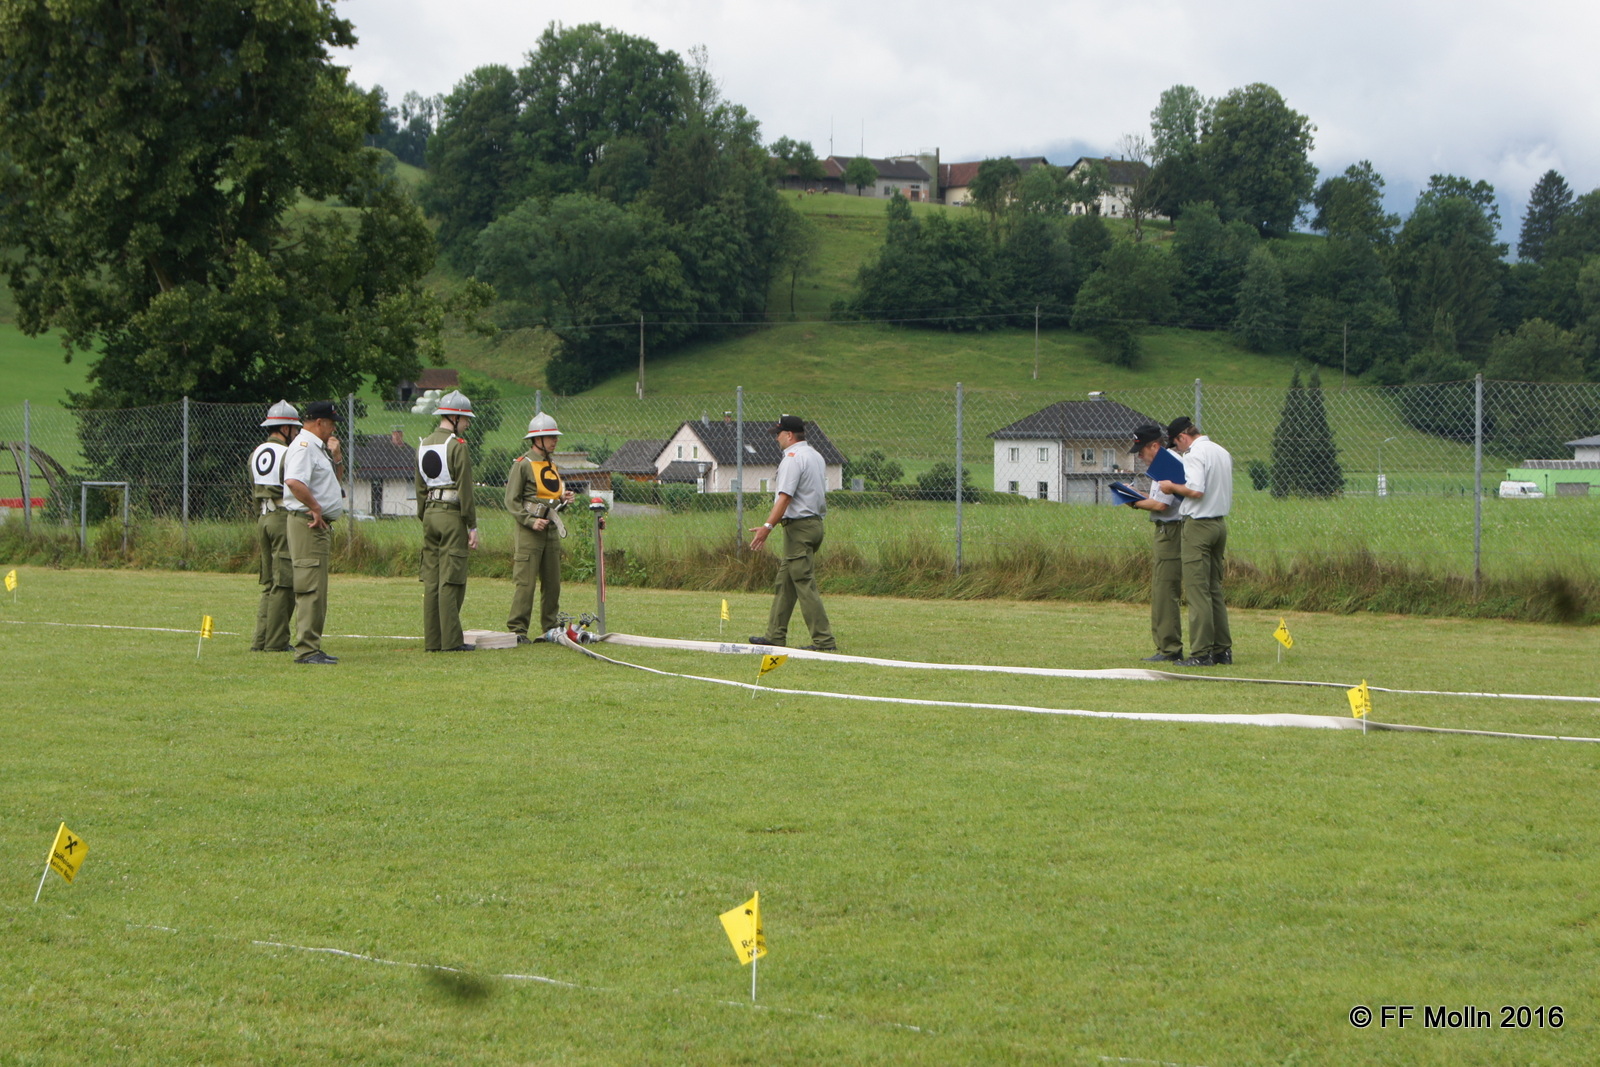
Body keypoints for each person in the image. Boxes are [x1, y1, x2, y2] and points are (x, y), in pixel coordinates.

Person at [748, 414, 837, 652]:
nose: (776, 439)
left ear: (788, 435)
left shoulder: (792, 458)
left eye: (778, 434)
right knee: (785, 582)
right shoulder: (815, 455)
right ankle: (775, 635)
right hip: (814, 525)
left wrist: (767, 527)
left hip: (799, 528)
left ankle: (824, 640)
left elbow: (785, 497)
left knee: (804, 583)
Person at [1158, 415, 1233, 667]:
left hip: (1198, 525)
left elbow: (1196, 490)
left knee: (1197, 591)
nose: (1178, 450)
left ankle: (1201, 653)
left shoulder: (1194, 454)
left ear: (1182, 437)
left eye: (1177, 444)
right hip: (1219, 524)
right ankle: (1222, 650)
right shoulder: (1221, 451)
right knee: (1214, 589)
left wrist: (1171, 487)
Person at [282, 400, 346, 665]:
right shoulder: (304, 447)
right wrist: (316, 507)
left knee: (317, 588)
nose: (333, 429)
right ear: (319, 422)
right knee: (310, 587)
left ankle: (312, 646)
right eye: (331, 423)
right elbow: (294, 481)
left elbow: (333, 484)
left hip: (317, 525)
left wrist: (337, 458)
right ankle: (307, 650)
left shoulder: (317, 448)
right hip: (308, 523)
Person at [416, 390, 479, 652]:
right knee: (451, 580)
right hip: (451, 515)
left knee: (432, 580)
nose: (467, 424)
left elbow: (420, 488)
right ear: (454, 418)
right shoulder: (457, 445)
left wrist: (425, 515)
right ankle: (451, 641)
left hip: (429, 514)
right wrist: (471, 525)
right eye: (465, 420)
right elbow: (465, 489)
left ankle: (433, 641)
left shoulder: (423, 444)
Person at [505, 412, 574, 643]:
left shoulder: (551, 465)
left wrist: (563, 499)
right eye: (551, 437)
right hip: (529, 533)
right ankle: (517, 630)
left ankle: (551, 628)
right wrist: (530, 521)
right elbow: (511, 501)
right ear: (538, 439)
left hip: (551, 530)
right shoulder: (522, 464)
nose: (555, 440)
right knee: (525, 583)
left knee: (553, 583)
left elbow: (550, 499)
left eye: (555, 437)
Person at [1123, 424, 1184, 663]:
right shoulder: (1165, 464)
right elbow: (1158, 498)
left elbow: (1161, 505)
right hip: (1169, 530)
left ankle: (1169, 648)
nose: (1140, 456)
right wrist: (1137, 494)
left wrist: (1132, 501)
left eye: (1141, 451)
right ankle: (1166, 645)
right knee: (1162, 588)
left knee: (1164, 590)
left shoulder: (1165, 466)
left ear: (1155, 446)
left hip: (1171, 531)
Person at [248, 400, 301, 653]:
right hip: (281, 516)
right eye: (295, 429)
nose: (297, 433)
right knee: (285, 582)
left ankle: (261, 639)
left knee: (269, 582)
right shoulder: (288, 453)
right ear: (285, 428)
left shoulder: (257, 452)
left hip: (263, 516)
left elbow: (253, 488)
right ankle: (277, 641)